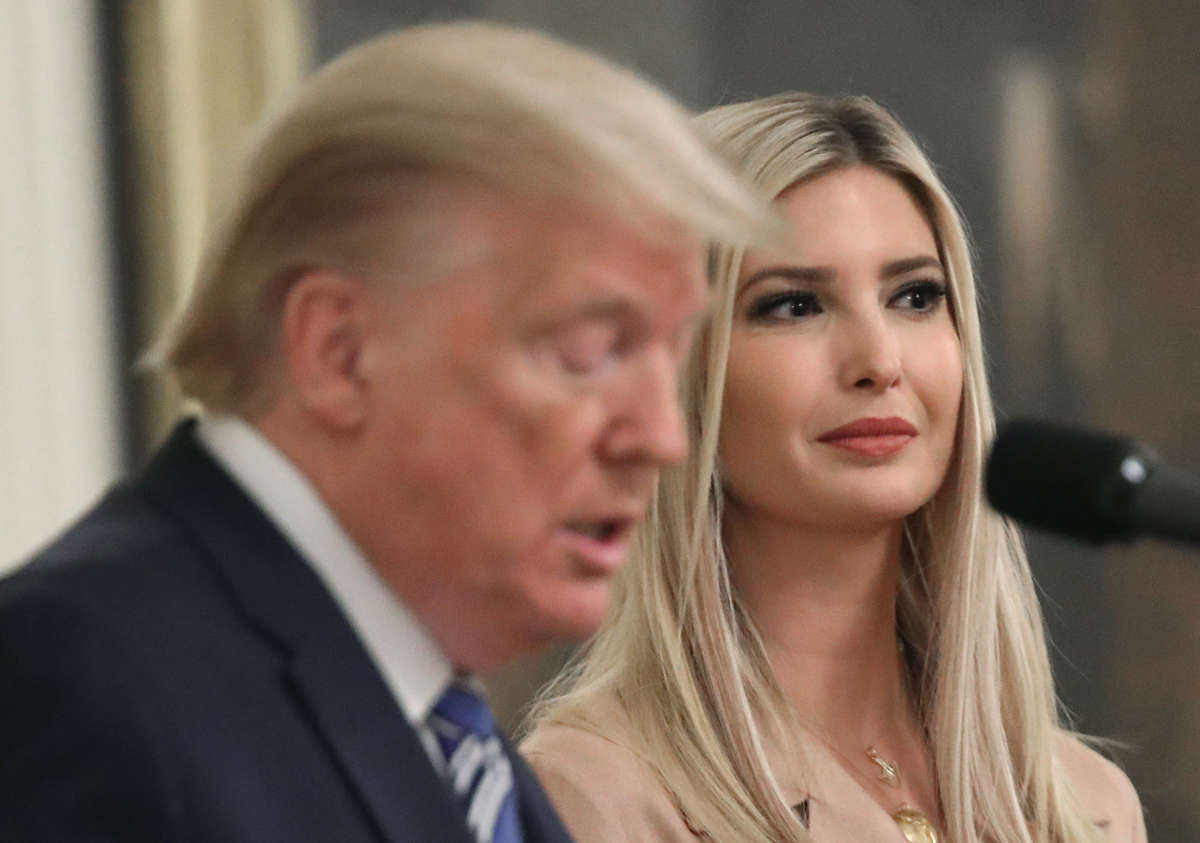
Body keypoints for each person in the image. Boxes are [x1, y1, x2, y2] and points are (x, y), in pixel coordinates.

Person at [0, 22, 771, 843]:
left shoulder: (459, 745)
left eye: (673, 355)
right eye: (589, 350)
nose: (660, 436)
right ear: (339, 352)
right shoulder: (85, 682)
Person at [521, 93, 1148, 843]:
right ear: (672, 377)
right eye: (793, 306)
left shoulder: (1088, 805)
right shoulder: (590, 799)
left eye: (915, 296)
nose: (879, 361)